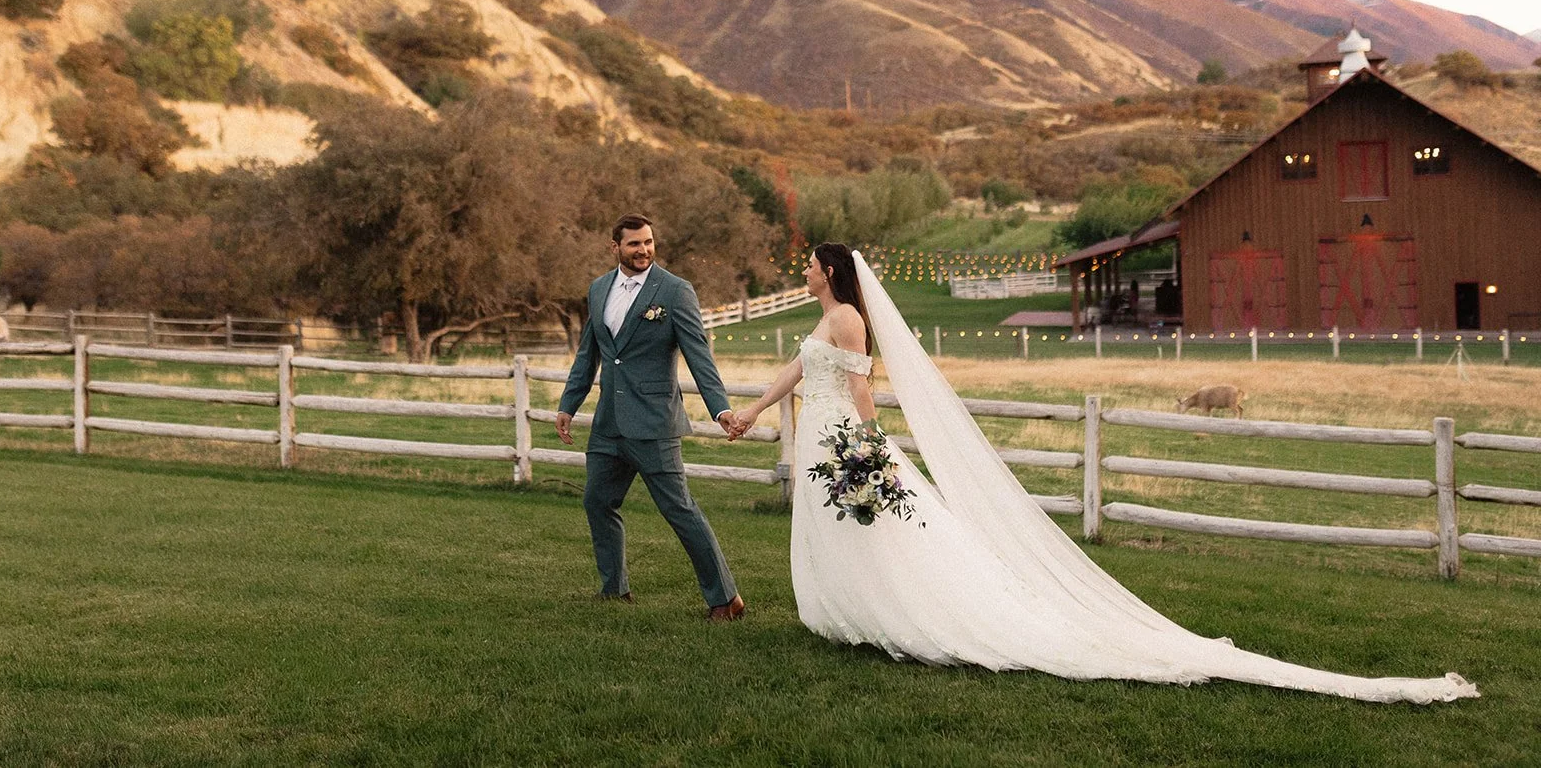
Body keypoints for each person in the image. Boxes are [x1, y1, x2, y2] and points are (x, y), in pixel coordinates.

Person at [726, 243, 1476, 703]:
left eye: (811, 262)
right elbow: (801, 369)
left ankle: (900, 611)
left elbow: (860, 388)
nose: (805, 269)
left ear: (829, 270)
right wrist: (754, 410)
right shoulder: (824, 319)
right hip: (825, 439)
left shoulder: (848, 319)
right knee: (847, 530)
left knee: (888, 529)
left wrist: (867, 445)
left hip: (847, 439)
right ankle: (857, 611)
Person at [556, 214, 746, 621]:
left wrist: (721, 409)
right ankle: (614, 589)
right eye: (634, 244)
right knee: (597, 502)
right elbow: (589, 354)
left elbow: (699, 355)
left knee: (680, 510)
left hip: (654, 423)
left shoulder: (675, 291)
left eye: (648, 242)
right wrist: (568, 404)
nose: (643, 250)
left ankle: (726, 599)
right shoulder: (598, 289)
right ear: (615, 248)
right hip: (608, 423)